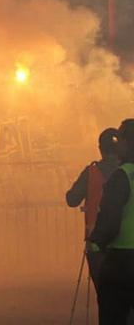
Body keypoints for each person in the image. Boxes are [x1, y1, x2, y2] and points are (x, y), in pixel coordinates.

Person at [90, 119, 134, 324]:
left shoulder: (122, 176)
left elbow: (110, 220)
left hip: (122, 258)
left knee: (113, 314)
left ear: (126, 142)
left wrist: (98, 239)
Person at [66, 128, 120, 293]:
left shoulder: (91, 173)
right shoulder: (127, 172)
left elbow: (72, 199)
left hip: (96, 244)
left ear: (100, 149)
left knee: (104, 294)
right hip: (126, 245)